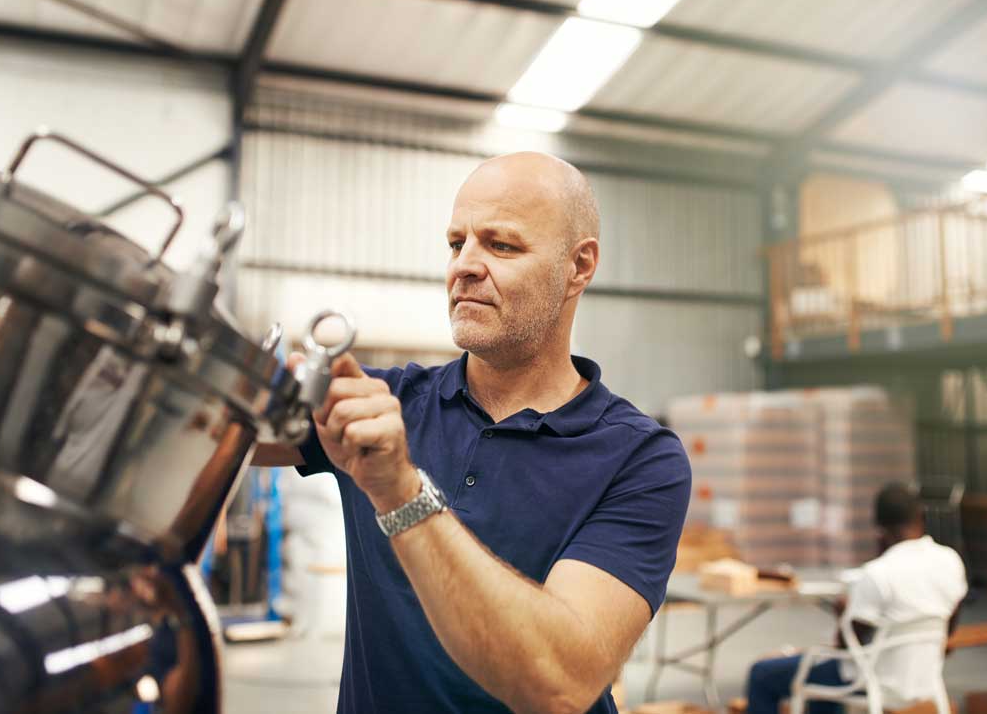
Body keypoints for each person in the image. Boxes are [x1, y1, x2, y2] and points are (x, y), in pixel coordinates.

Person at [254, 151, 692, 713]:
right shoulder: (383, 402)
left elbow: (559, 682)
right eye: (456, 243)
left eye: (501, 245)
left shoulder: (639, 459)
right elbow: (216, 426)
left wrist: (400, 491)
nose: (464, 264)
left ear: (578, 267)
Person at [745, 483, 968, 714]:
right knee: (822, 679)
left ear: (879, 530)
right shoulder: (950, 561)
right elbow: (949, 626)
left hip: (870, 680)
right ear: (921, 518)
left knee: (762, 674)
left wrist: (843, 610)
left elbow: (847, 643)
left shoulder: (877, 573)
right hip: (923, 676)